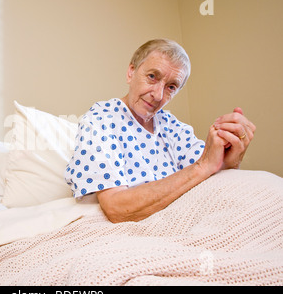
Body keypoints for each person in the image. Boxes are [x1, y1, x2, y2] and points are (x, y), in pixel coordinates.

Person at [64, 39, 256, 223]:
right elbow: (117, 208)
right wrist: (202, 167)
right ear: (131, 72)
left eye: (171, 87)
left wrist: (231, 156)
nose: (158, 95)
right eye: (152, 77)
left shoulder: (172, 126)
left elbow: (210, 176)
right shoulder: (101, 118)